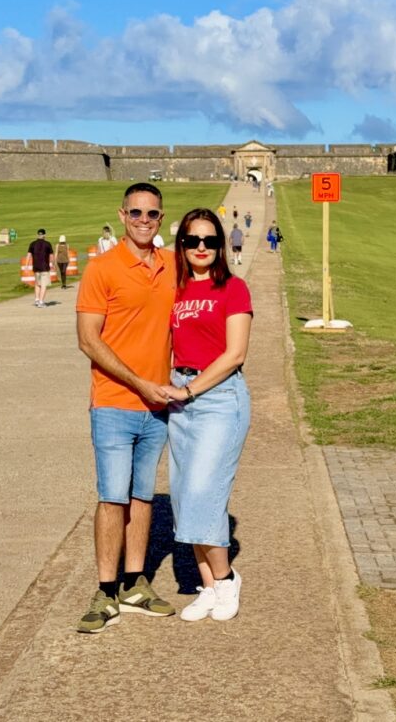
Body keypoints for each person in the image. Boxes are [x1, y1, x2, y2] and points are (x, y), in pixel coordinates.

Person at [74, 183, 177, 632]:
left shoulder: (171, 264)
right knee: (112, 496)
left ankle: (135, 583)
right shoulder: (102, 267)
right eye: (135, 212)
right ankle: (105, 587)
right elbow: (87, 339)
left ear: (160, 218)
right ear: (121, 215)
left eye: (151, 214)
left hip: (157, 407)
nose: (143, 220)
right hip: (115, 402)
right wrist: (140, 382)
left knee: (143, 495)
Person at [162, 209, 253, 621]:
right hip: (181, 398)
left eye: (209, 241)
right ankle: (211, 586)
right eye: (192, 240)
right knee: (183, 495)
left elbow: (235, 354)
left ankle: (228, 577)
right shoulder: (175, 291)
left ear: (220, 246)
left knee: (203, 491)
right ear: (181, 245)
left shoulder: (234, 288)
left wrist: (190, 389)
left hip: (218, 398)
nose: (201, 248)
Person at [28, 229, 54, 307]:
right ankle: (41, 301)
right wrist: (53, 265)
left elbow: (28, 255)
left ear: (37, 235)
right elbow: (51, 256)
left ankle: (36, 299)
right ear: (44, 235)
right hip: (44, 267)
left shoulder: (32, 244)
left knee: (37, 284)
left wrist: (26, 265)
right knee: (43, 285)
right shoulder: (47, 244)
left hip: (36, 267)